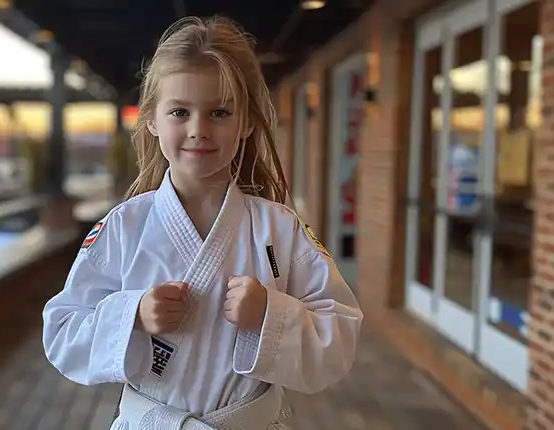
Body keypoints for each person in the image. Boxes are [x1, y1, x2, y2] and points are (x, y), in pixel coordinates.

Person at [42, 16, 363, 430]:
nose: (199, 130)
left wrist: (271, 314)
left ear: (246, 122)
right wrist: (132, 313)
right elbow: (63, 331)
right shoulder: (124, 227)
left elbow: (340, 333)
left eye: (219, 112)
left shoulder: (280, 230)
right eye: (180, 111)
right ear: (153, 120)